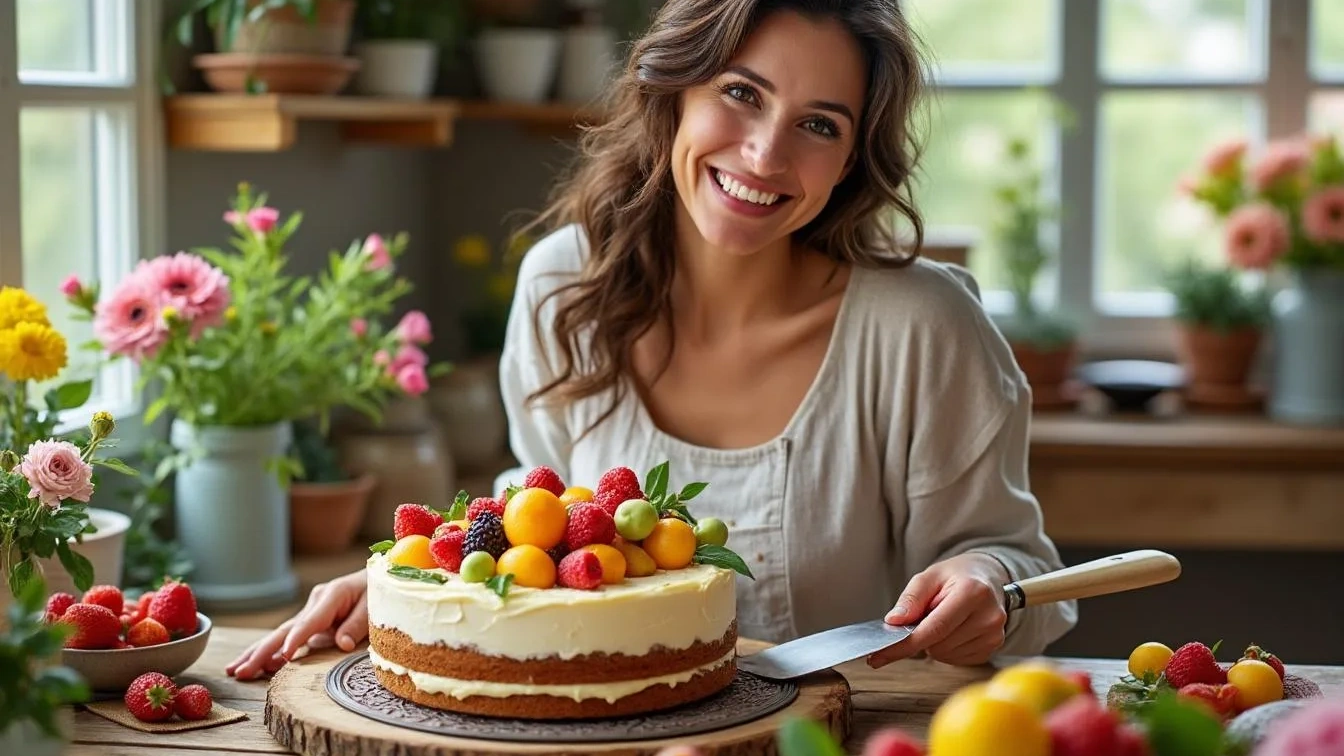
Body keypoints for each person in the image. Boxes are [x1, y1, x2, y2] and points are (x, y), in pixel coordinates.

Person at [227, 0, 1077, 682]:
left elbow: (1019, 569)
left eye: (819, 125)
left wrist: (993, 589)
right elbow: (541, 524)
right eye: (741, 93)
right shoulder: (565, 286)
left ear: (853, 159)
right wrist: (413, 586)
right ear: (675, 91)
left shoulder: (922, 326)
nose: (765, 153)